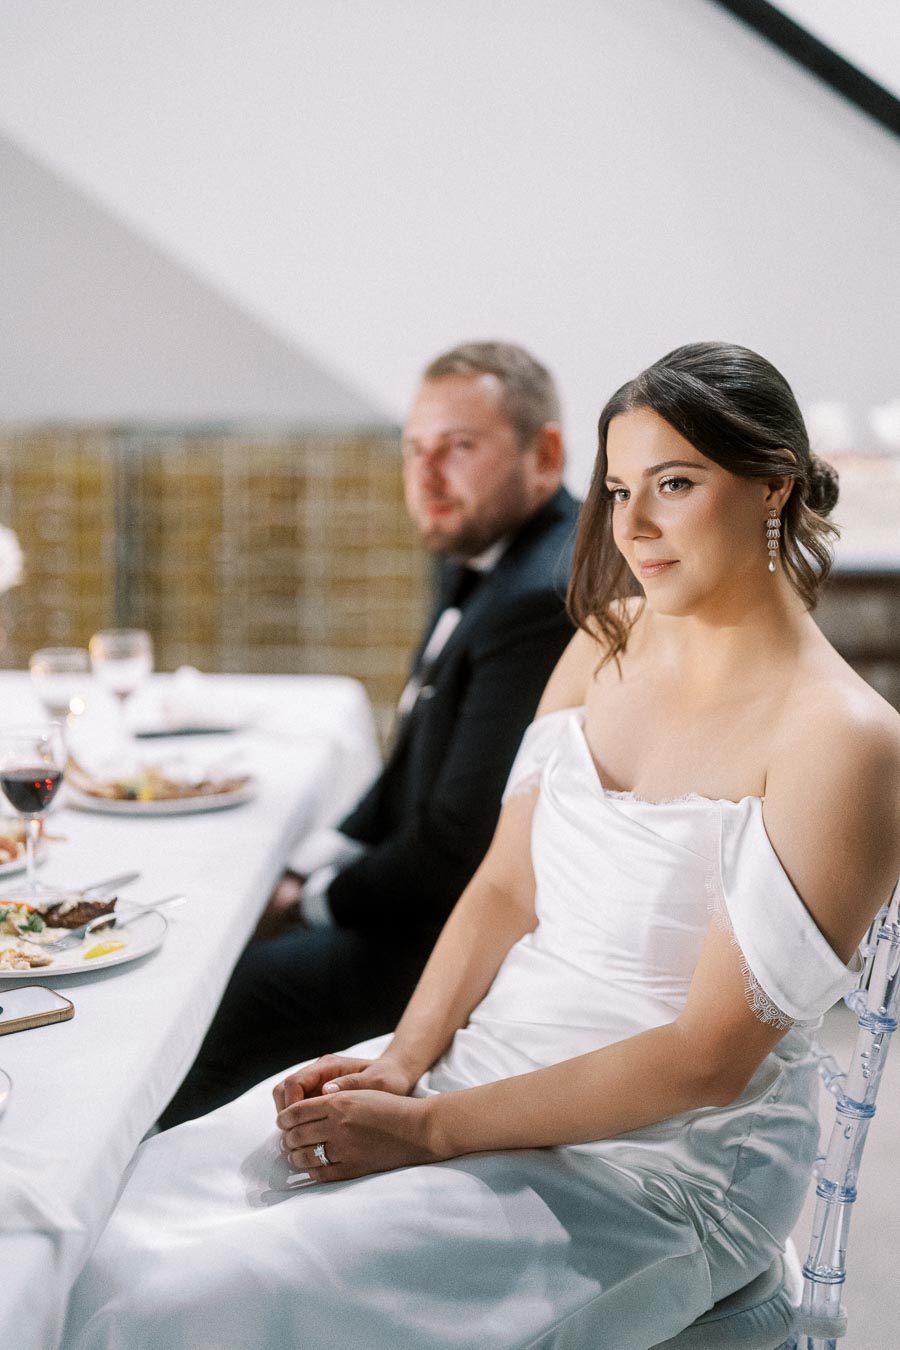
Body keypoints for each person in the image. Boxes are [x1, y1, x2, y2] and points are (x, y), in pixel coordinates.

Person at [65, 342, 900, 1350]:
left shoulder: (843, 740)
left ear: (772, 489)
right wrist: (403, 1062)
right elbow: (506, 883)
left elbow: (707, 1060)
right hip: (478, 1062)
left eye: (675, 486)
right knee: (116, 1221)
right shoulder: (607, 640)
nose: (632, 528)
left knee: (191, 1303)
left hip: (656, 1161)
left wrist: (426, 1133)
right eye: (620, 488)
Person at [160, 341, 579, 1127]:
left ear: (544, 453)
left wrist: (310, 900)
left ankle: (141, 1210)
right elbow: (412, 759)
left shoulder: (540, 596)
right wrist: (306, 868)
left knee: (225, 987)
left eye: (458, 448)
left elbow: (456, 846)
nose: (426, 477)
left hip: (456, 947)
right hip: (431, 904)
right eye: (415, 449)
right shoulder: (493, 547)